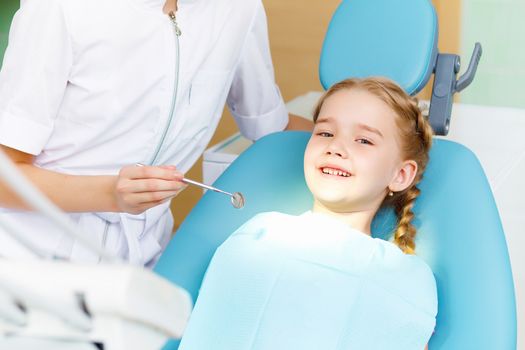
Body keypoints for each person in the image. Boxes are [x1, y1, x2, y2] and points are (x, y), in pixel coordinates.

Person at [0, 0, 311, 266]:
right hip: (32, 259)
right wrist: (110, 194)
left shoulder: (238, 9)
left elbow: (272, 126)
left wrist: (350, 130)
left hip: (146, 262)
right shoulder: (61, 8)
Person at [178, 77, 437, 349]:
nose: (335, 147)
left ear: (401, 174)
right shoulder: (258, 237)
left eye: (363, 140)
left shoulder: (405, 279)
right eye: (325, 133)